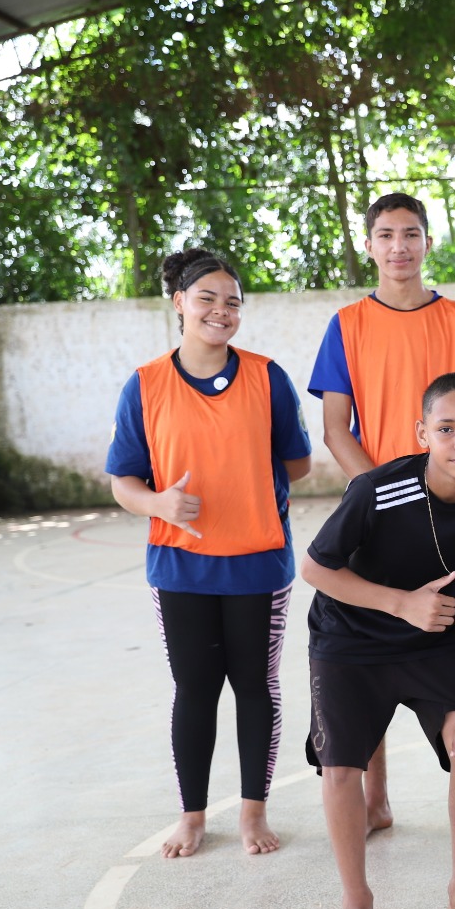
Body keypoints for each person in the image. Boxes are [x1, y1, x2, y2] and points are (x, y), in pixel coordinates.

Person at [301, 373, 455, 909]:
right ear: (422, 433)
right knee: (340, 767)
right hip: (350, 639)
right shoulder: (378, 490)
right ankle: (357, 900)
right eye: (446, 429)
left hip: (433, 644)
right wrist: (403, 603)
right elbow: (316, 569)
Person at [106, 248, 311, 859]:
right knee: (194, 688)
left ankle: (253, 812)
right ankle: (192, 815)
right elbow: (124, 481)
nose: (221, 312)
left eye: (232, 302)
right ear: (179, 303)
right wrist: (159, 504)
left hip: (257, 562)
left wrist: (253, 465)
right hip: (181, 564)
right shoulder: (144, 385)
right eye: (207, 299)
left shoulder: (267, 376)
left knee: (256, 687)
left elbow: (297, 463)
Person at [307, 192, 455, 837]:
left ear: (427, 243)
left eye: (410, 234)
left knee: (449, 637)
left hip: (448, 515)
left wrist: (434, 499)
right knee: (365, 657)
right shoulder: (347, 324)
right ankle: (376, 799)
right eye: (385, 235)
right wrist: (384, 497)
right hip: (374, 514)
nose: (398, 247)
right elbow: (335, 428)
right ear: (369, 245)